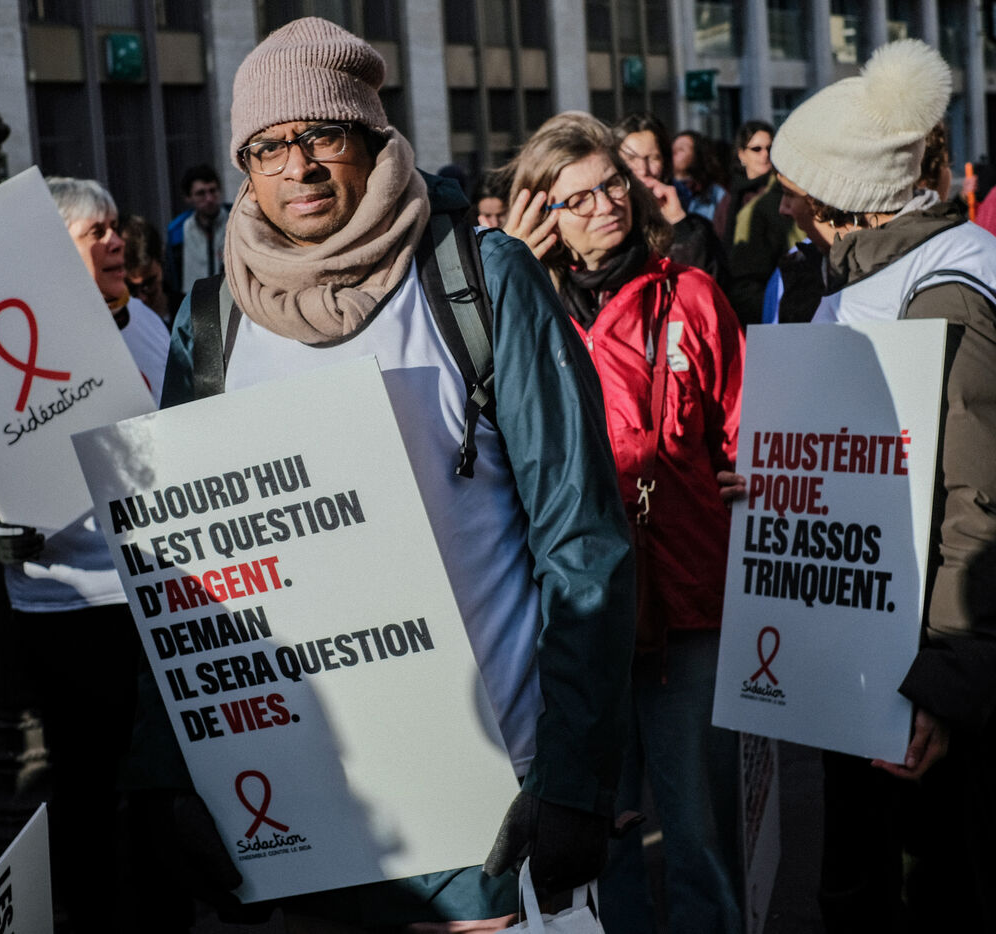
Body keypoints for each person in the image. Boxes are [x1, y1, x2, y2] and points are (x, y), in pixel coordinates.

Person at [161, 16, 637, 930]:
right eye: (267, 147)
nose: (297, 167)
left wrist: (574, 782)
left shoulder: (482, 280)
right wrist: (179, 778)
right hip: (306, 807)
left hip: (488, 811)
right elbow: (183, 581)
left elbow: (583, 543)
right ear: (243, 168)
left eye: (321, 135)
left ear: (374, 138)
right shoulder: (210, 324)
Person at [770, 38, 996, 930]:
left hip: (923, 673)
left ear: (840, 201)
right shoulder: (856, 278)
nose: (782, 202)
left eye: (793, 187)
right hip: (873, 649)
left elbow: (977, 504)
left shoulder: (944, 290)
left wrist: (945, 684)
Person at [503, 110, 745, 934]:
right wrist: (512, 279)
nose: (606, 204)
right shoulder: (515, 315)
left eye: (612, 184)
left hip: (688, 603)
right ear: (542, 215)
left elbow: (745, 427)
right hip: (575, 615)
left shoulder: (692, 294)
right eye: (577, 198)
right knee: (598, 832)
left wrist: (754, 471)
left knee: (701, 829)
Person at [0, 177, 170, 934]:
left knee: (165, 775)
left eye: (115, 225)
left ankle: (165, 913)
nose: (116, 240)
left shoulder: (150, 325)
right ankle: (94, 914)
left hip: (165, 587)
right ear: (49, 251)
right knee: (89, 778)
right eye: (95, 232)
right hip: (68, 604)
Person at [613, 112, 730, 289]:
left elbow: (707, 288)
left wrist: (679, 226)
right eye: (631, 158)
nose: (643, 169)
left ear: (666, 162)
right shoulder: (607, 221)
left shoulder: (697, 228)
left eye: (653, 158)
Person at [719, 121, 803, 328]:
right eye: (756, 149)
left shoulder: (784, 192)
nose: (765, 155)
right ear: (741, 154)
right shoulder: (730, 199)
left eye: (770, 148)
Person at [168, 164, 230, 292]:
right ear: (188, 198)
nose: (209, 199)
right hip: (193, 299)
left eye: (213, 191)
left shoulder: (235, 220)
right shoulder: (179, 231)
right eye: (201, 193)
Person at [121, 214, 184, 329]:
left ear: (161, 263)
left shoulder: (187, 312)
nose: (142, 298)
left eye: (148, 284)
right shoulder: (122, 324)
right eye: (131, 288)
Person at [672, 130, 727, 222]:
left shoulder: (715, 193)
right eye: (672, 148)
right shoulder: (664, 187)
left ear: (696, 155)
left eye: (681, 149)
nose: (674, 152)